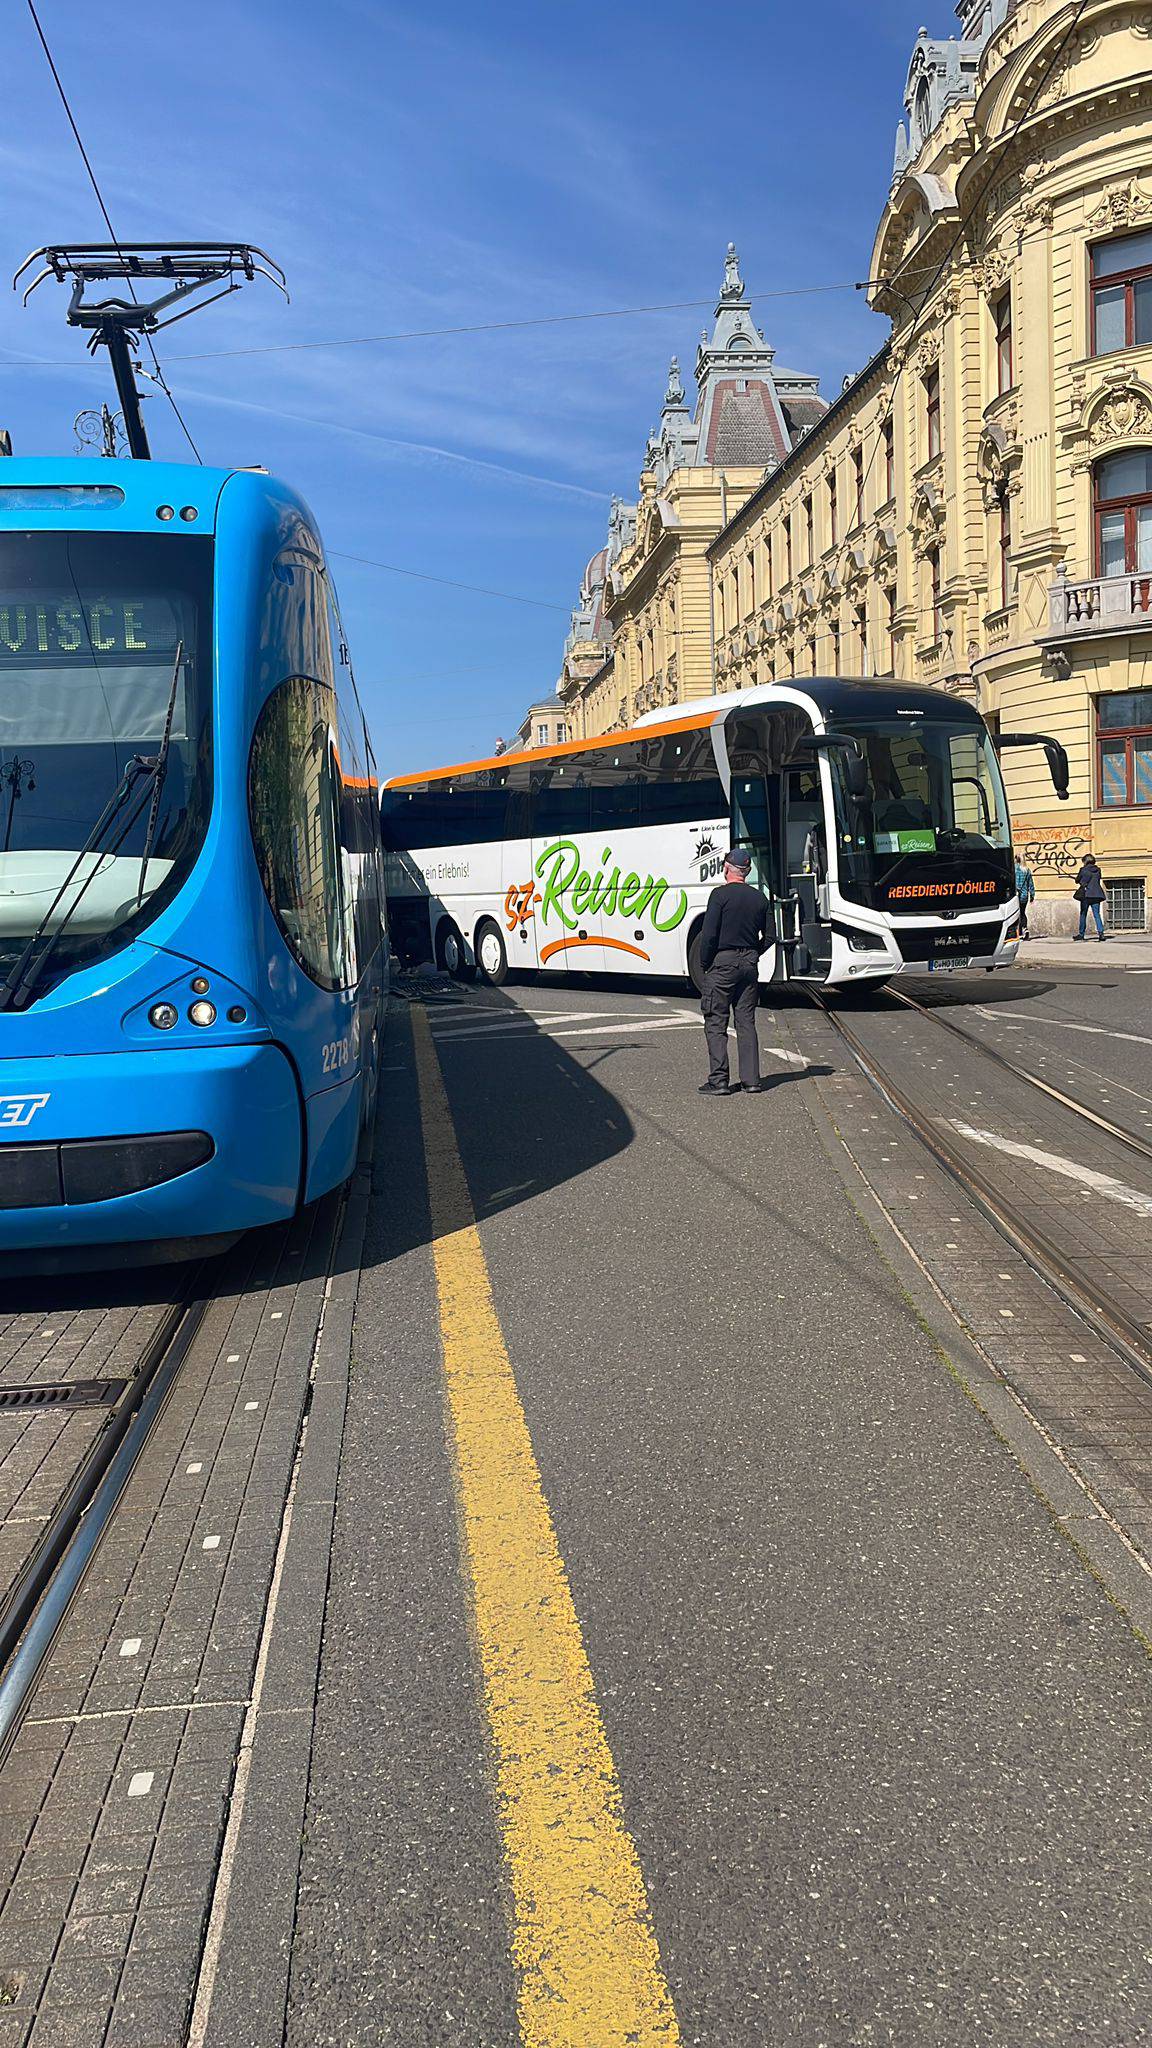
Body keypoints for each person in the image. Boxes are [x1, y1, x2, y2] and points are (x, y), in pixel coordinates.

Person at [697, 847, 771, 1095]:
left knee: (716, 1020)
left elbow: (708, 935)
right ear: (747, 872)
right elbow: (770, 936)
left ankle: (719, 1081)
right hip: (749, 965)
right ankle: (751, 1081)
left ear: (726, 868)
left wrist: (705, 964)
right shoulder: (760, 898)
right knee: (746, 1021)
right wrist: (753, 953)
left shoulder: (719, 896)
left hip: (723, 964)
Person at [1073, 853, 1108, 940]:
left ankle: (1081, 934)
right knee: (1097, 914)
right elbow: (1097, 880)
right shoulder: (1098, 870)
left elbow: (1078, 880)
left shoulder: (1083, 870)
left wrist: (1078, 880)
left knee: (1083, 914)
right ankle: (1101, 933)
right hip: (1096, 894)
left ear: (1085, 861)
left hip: (1086, 895)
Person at [1014, 856, 1035, 939]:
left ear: (1016, 860)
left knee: (1015, 915)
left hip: (1015, 896)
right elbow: (1031, 884)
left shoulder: (1014, 869)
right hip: (1024, 896)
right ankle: (1025, 929)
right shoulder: (1027, 870)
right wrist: (1032, 895)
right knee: (1022, 913)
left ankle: (1017, 933)